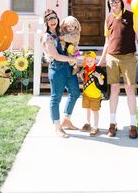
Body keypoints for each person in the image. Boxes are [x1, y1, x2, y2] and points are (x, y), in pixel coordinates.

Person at [98, 0, 138, 139]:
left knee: (129, 89)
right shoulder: (108, 19)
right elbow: (107, 43)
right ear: (109, 4)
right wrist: (100, 62)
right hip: (112, 58)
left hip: (128, 57)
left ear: (121, 2)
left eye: (116, 0)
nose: (114, 3)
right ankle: (112, 124)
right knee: (114, 89)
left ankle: (133, 125)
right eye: (111, 1)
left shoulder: (131, 15)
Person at [41, 9, 80, 138]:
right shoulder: (47, 37)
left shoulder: (61, 33)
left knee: (75, 92)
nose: (52, 21)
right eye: (49, 19)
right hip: (57, 69)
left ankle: (66, 120)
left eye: (54, 18)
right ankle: (57, 127)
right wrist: (72, 59)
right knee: (56, 98)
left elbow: (71, 46)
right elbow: (56, 56)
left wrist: (76, 51)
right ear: (46, 22)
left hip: (68, 68)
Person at [79, 51, 105, 136]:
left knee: (95, 111)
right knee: (87, 109)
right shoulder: (85, 69)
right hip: (86, 94)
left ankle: (95, 127)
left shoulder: (98, 70)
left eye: (91, 61)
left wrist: (98, 77)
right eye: (87, 61)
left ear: (95, 61)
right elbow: (85, 81)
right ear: (85, 61)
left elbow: (101, 83)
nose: (89, 63)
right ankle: (88, 123)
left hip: (95, 95)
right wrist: (80, 75)